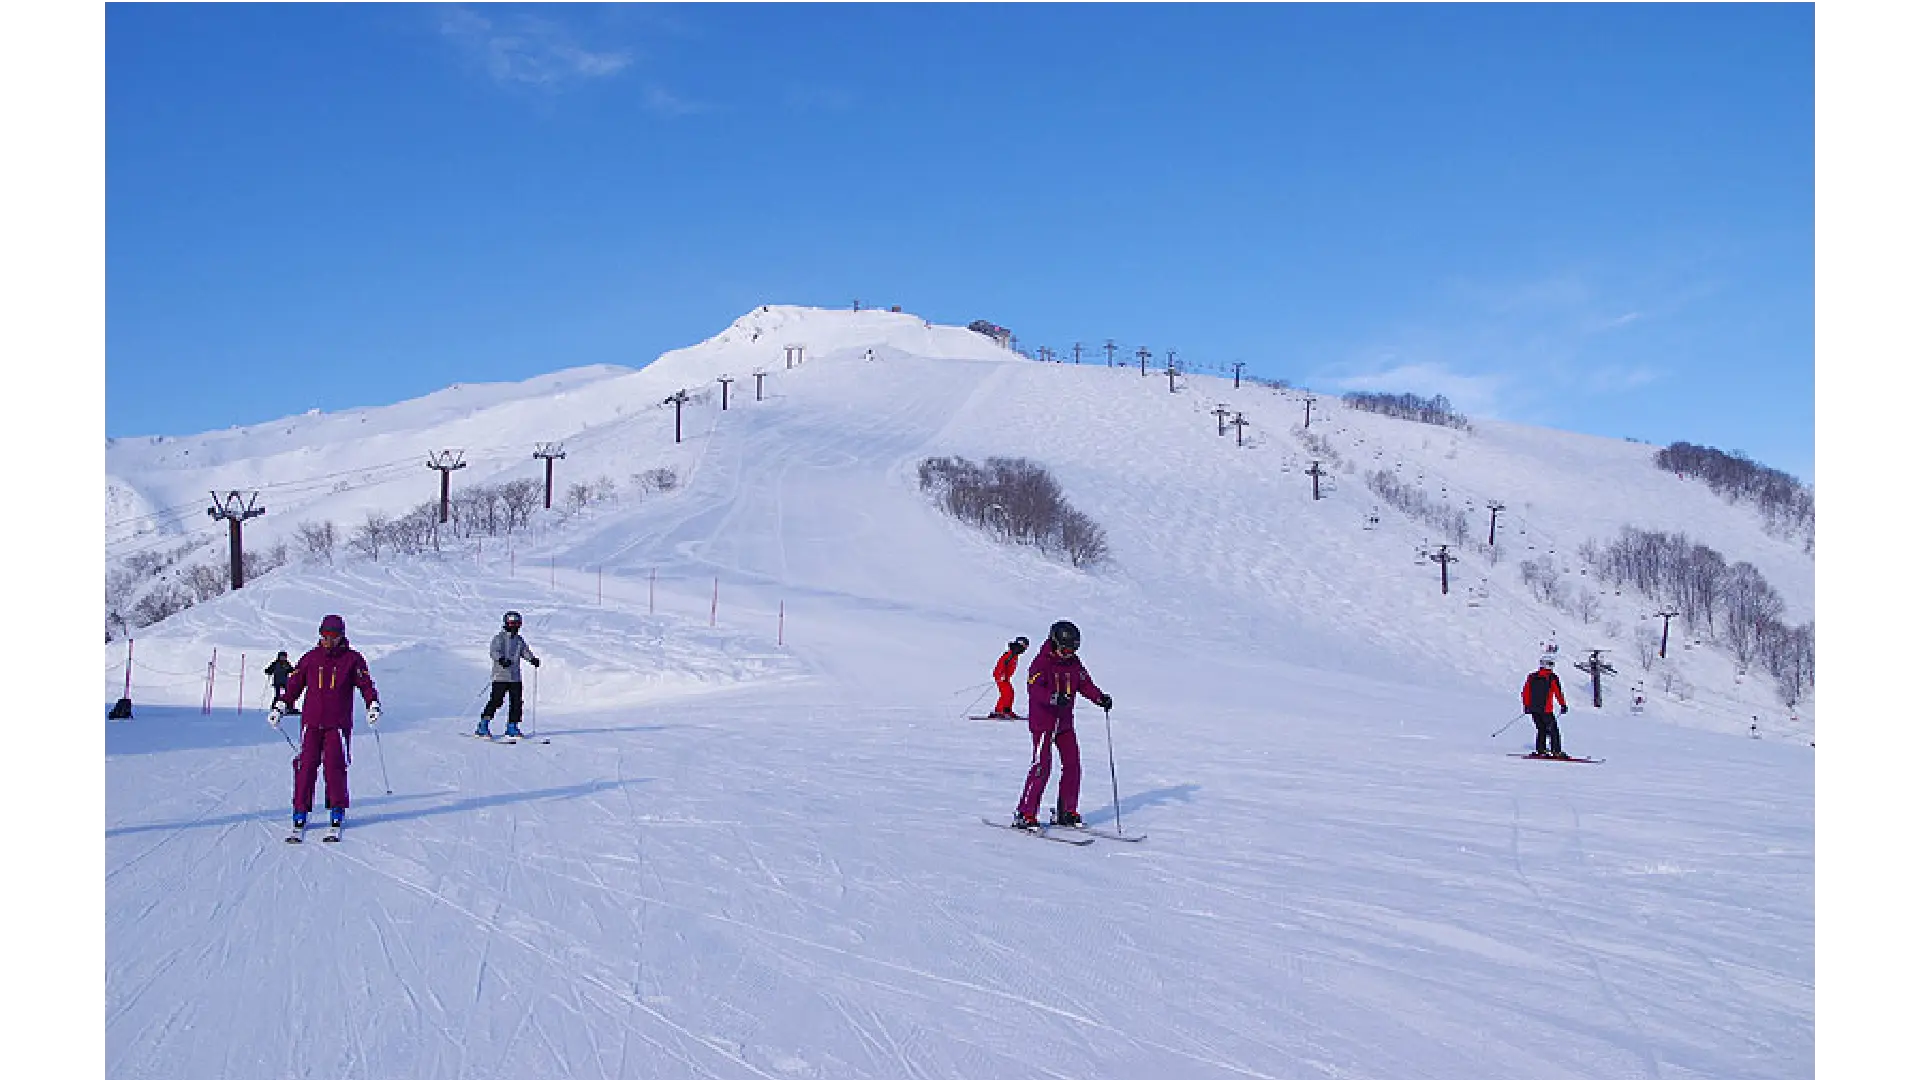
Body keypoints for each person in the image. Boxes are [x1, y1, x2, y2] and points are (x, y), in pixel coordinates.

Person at [269, 614, 381, 830]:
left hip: (337, 725)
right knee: (305, 766)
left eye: (333, 636)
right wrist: (281, 706)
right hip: (311, 723)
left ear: (341, 636)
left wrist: (372, 704)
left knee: (334, 767)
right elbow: (294, 685)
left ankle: (337, 808)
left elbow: (365, 684)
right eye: (324, 635)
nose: (327, 640)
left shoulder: (352, 659)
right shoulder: (310, 658)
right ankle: (300, 810)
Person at [1013, 620, 1112, 830]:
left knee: (1073, 765)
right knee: (1042, 767)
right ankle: (1025, 813)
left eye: (1073, 649)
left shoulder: (1073, 664)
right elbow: (1035, 690)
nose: (1069, 653)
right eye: (1066, 649)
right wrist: (1054, 698)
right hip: (1044, 725)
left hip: (1064, 725)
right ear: (1055, 642)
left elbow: (1084, 684)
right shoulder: (1041, 663)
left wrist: (1099, 698)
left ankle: (1066, 811)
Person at [477, 610, 540, 739]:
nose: (514, 626)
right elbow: (494, 651)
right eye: (512, 623)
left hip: (515, 677)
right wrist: (501, 660)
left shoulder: (519, 640)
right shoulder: (499, 638)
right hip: (500, 676)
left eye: (517, 624)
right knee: (496, 700)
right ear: (506, 623)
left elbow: (524, 651)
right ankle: (483, 725)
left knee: (516, 702)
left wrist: (532, 659)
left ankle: (512, 726)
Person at [1521, 654, 1570, 758]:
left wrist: (1526, 706)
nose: (1552, 666)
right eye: (1551, 664)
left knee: (1541, 729)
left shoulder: (1532, 676)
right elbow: (1558, 692)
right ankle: (1556, 751)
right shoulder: (1552, 678)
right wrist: (1563, 705)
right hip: (1546, 710)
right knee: (1553, 730)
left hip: (1533, 709)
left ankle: (1541, 750)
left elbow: (1525, 692)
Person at [989, 636, 1029, 719]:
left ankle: (1004, 710)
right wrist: (1001, 674)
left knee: (1009, 693)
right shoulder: (1010, 654)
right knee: (1007, 693)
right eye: (1025, 646)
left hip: (1005, 677)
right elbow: (1001, 664)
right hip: (1001, 677)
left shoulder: (1014, 654)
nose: (1025, 649)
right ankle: (1001, 711)